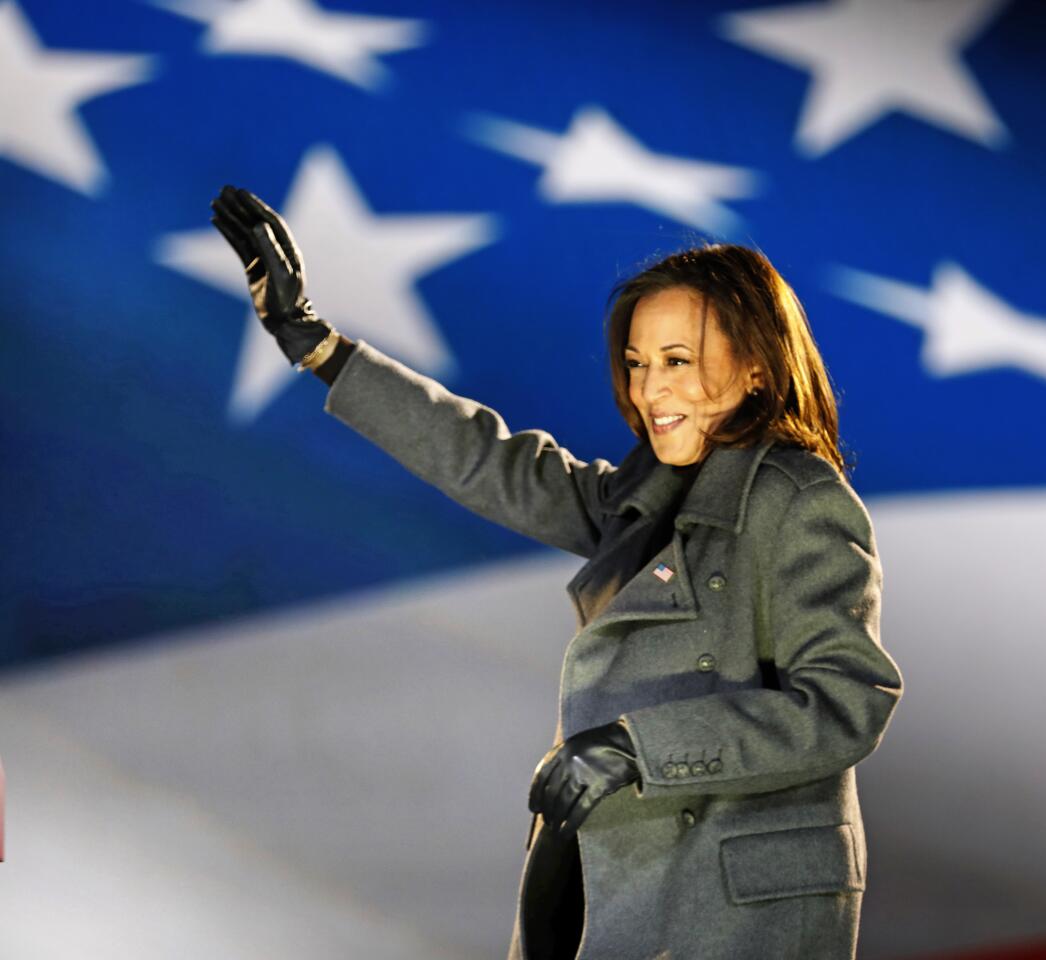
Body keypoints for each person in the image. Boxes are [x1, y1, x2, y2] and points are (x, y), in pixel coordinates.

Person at [209, 185, 903, 959]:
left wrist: (639, 746)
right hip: (614, 874)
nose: (650, 390)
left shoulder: (801, 500)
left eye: (679, 361)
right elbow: (489, 460)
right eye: (639, 364)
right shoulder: (645, 493)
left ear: (755, 372)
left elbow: (844, 704)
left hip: (734, 908)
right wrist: (317, 345)